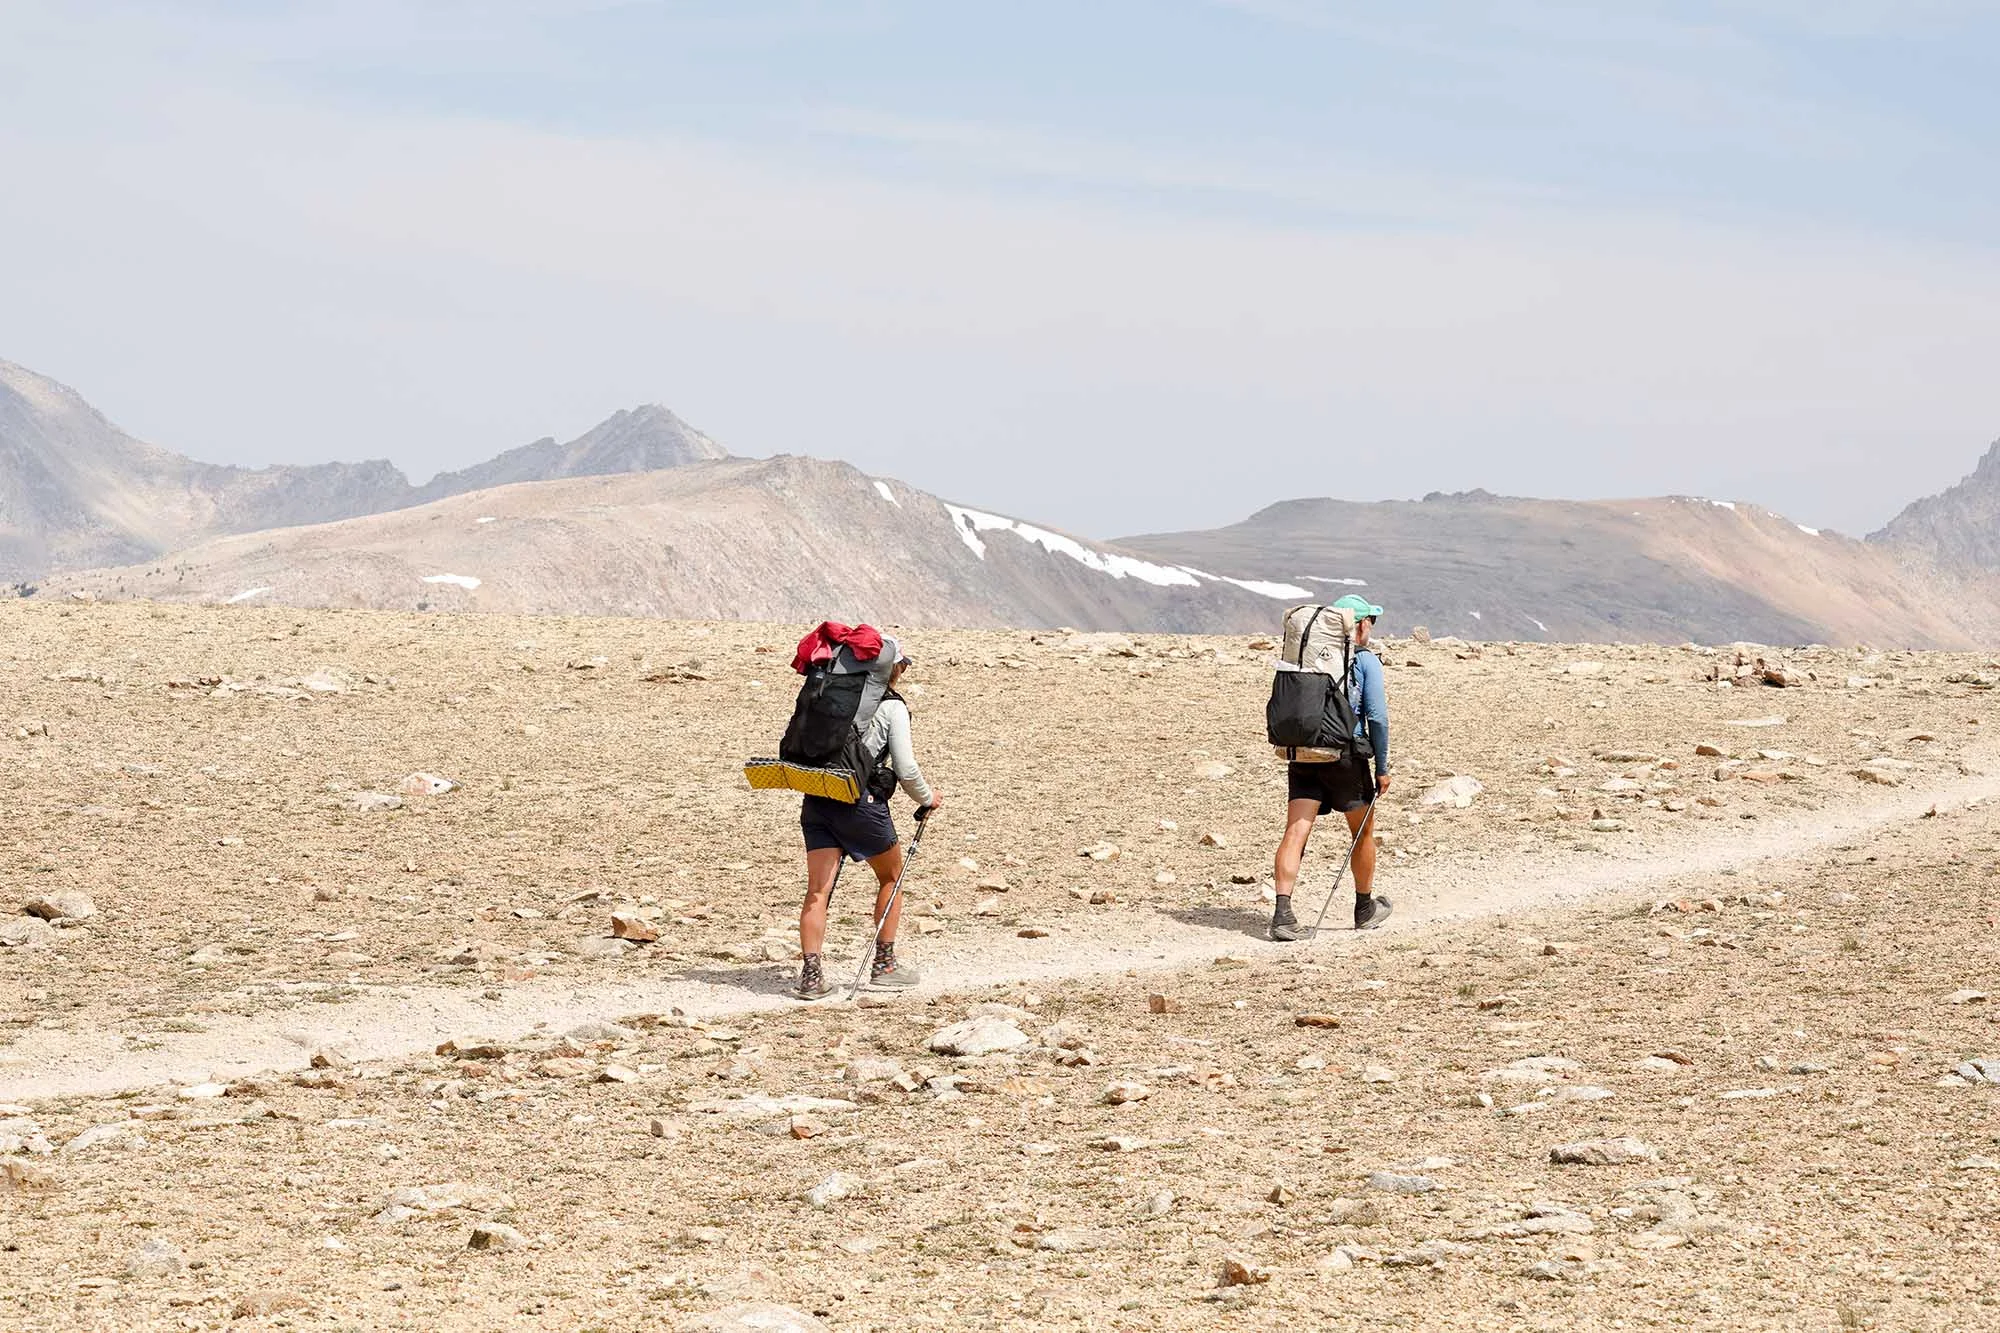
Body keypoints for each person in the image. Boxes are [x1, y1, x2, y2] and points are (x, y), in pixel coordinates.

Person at [794, 651, 942, 999]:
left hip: (818, 796)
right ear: (894, 669)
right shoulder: (892, 707)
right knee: (891, 877)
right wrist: (926, 798)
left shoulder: (829, 697)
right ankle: (884, 966)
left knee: (818, 890)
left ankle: (811, 977)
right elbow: (905, 769)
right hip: (861, 803)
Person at [1271, 594, 1392, 939]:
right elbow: (1377, 718)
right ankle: (1364, 908)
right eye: (1371, 621)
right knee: (1362, 832)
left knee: (1296, 831)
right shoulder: (1365, 661)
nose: (1371, 627)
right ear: (1361, 624)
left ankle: (1282, 914)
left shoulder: (1306, 662)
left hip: (1303, 752)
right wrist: (1382, 767)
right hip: (1344, 757)